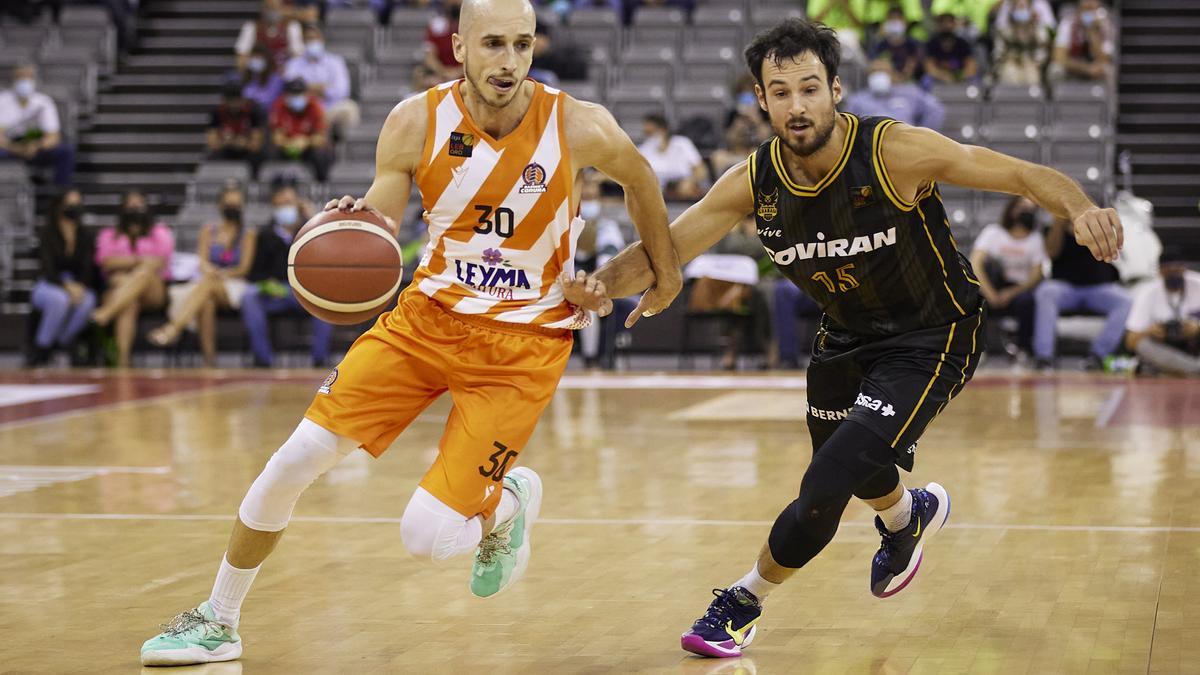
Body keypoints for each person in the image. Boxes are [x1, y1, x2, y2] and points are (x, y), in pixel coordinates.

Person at [139, 1, 681, 665]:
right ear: (458, 47)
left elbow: (641, 180)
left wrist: (665, 270)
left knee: (424, 537)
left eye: (520, 44)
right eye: (491, 44)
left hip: (521, 346)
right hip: (423, 322)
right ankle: (218, 618)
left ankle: (505, 503)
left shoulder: (577, 124)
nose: (507, 61)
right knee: (292, 461)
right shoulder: (414, 120)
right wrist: (356, 225)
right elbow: (383, 222)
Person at [581, 18, 1122, 658]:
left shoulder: (895, 151)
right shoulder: (754, 181)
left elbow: (1018, 174)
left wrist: (1082, 208)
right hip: (845, 338)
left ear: (836, 89)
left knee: (826, 480)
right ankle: (905, 516)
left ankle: (742, 601)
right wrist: (596, 285)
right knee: (857, 474)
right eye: (780, 92)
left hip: (934, 333)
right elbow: (663, 251)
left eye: (810, 88)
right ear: (760, 100)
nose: (797, 105)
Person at [148, 185, 257, 367]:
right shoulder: (208, 230)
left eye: (236, 204)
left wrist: (221, 273)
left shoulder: (248, 234)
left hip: (234, 285)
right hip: (209, 282)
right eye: (228, 203)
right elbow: (203, 261)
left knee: (207, 284)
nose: (232, 207)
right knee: (206, 302)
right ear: (220, 205)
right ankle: (209, 360)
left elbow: (244, 268)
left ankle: (173, 328)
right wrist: (210, 271)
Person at [239, 182, 332, 368]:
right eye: (280, 204)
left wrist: (314, 217)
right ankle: (263, 360)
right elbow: (254, 273)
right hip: (277, 292)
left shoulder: (310, 231)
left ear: (298, 204)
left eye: (289, 202)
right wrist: (267, 283)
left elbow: (328, 257)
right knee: (249, 297)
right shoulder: (264, 235)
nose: (285, 208)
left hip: (306, 293)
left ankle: (319, 359)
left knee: (326, 298)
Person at [1033, 215, 1131, 370]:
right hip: (1065, 287)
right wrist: (1058, 225)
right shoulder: (1053, 228)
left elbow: (1107, 250)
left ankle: (1099, 355)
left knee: (1124, 300)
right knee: (1045, 292)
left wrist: (1085, 228)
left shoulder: (1098, 225)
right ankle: (1044, 356)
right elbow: (1051, 252)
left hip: (1097, 288)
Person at [92, 191, 175, 368]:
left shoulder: (159, 232)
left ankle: (105, 313)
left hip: (154, 291)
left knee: (144, 273)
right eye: (131, 206)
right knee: (129, 304)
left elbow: (159, 261)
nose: (135, 210)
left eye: (139, 206)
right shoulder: (109, 234)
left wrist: (127, 268)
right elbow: (105, 261)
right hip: (120, 291)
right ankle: (123, 363)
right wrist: (139, 261)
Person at [28, 189, 97, 366]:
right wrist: (66, 286)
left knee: (88, 301)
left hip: (76, 284)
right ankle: (42, 348)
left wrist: (80, 286)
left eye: (77, 204)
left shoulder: (85, 235)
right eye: (70, 204)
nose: (74, 208)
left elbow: (88, 267)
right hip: (49, 284)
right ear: (60, 206)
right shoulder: (47, 233)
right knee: (59, 300)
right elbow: (47, 270)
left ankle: (62, 342)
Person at [969, 197, 1045, 356]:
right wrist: (991, 294)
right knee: (973, 299)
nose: (1026, 212)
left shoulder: (1035, 239)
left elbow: (1036, 275)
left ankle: (1023, 349)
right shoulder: (993, 232)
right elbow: (975, 263)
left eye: (1031, 209)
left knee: (1028, 301)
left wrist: (1010, 293)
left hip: (1018, 291)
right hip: (992, 286)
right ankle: (976, 349)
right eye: (1022, 207)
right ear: (1011, 209)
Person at [1125, 248, 1200, 376]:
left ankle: (1179, 369)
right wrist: (1149, 331)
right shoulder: (1147, 293)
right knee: (1142, 344)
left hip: (1194, 346)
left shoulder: (1198, 284)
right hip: (1166, 348)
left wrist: (1197, 328)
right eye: (1168, 271)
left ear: (1184, 268)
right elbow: (1130, 341)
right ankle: (1193, 369)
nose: (1174, 275)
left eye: (1177, 270)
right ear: (1160, 272)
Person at [0, 64, 76, 188]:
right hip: (9, 147)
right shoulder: (2, 101)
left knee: (66, 152)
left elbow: (53, 137)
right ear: (13, 79)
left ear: (34, 80)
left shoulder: (43, 102)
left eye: (28, 77)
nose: (24, 81)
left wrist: (35, 146)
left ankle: (60, 192)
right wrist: (14, 147)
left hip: (36, 146)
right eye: (20, 77)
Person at [283, 24, 360, 140]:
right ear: (303, 42)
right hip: (304, 111)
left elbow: (342, 91)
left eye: (315, 38)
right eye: (309, 39)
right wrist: (322, 87)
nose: (312, 42)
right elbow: (289, 87)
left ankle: (341, 148)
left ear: (321, 39)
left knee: (350, 108)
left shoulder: (335, 62)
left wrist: (308, 88)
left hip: (329, 111)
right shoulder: (294, 64)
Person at [843, 60, 945, 130]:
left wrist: (923, 134)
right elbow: (846, 125)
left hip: (906, 145)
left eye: (883, 71)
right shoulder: (858, 99)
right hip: (869, 148)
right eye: (874, 72)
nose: (879, 75)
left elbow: (936, 110)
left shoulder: (910, 93)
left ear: (892, 74)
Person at [269, 77, 332, 182]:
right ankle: (278, 184)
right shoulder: (279, 106)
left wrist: (305, 141)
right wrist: (288, 143)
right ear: (286, 95)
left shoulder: (315, 107)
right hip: (287, 146)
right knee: (271, 151)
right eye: (293, 94)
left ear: (306, 94)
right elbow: (276, 136)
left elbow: (321, 137)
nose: (296, 97)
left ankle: (321, 184)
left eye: (299, 94)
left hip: (307, 147)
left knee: (321, 154)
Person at [638, 113, 708, 201]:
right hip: (657, 192)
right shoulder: (644, 149)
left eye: (650, 133)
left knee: (690, 190)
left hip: (684, 188)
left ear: (662, 130)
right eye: (646, 133)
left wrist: (690, 181)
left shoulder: (682, 144)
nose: (649, 137)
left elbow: (701, 170)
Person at [208, 78, 266, 176]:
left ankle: (254, 184)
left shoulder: (253, 111)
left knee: (257, 157)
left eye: (237, 99)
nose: (234, 104)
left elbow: (256, 144)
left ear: (242, 99)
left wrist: (244, 143)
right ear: (225, 100)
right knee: (213, 156)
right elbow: (212, 143)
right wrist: (227, 142)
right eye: (231, 100)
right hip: (226, 149)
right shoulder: (217, 112)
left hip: (246, 151)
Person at [1049, 0, 1113, 83]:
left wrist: (1092, 31)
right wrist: (1086, 69)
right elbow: (1058, 57)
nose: (1089, 3)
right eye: (1085, 2)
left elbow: (1104, 60)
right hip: (1074, 66)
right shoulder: (1068, 23)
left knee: (1108, 70)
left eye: (1093, 2)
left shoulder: (1105, 26)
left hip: (1096, 68)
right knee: (1055, 68)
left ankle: (1108, 96)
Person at [992, 0, 1052, 87]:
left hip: (1032, 64)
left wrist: (1033, 61)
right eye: (1018, 7)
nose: (1021, 10)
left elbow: (1042, 55)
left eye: (1024, 7)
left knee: (1032, 75)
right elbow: (998, 54)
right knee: (1009, 72)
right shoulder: (1005, 32)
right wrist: (1008, 58)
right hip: (1011, 63)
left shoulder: (1039, 32)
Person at [235, 0, 302, 71]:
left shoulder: (291, 27)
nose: (272, 11)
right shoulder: (251, 27)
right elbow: (241, 57)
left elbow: (297, 55)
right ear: (263, 9)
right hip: (259, 73)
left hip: (284, 73)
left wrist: (288, 70)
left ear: (282, 8)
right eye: (269, 7)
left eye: (275, 7)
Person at [868, 6, 922, 82]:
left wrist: (890, 71)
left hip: (908, 84)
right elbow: (872, 66)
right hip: (885, 84)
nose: (894, 22)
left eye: (897, 18)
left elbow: (910, 70)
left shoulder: (913, 45)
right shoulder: (879, 45)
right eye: (891, 19)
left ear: (905, 22)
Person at [923, 13, 979, 84]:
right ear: (939, 25)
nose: (946, 26)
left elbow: (971, 65)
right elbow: (929, 66)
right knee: (926, 79)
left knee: (975, 80)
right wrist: (943, 75)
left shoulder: (962, 43)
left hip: (960, 76)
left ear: (954, 25)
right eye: (943, 22)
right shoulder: (932, 43)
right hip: (939, 76)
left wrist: (958, 76)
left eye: (949, 22)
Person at [424, 0, 463, 81]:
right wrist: (443, 72)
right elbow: (429, 56)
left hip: (466, 75)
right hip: (442, 76)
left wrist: (458, 72)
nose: (454, 3)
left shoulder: (471, 26)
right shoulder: (436, 25)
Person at [241, 45, 285, 112]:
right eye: (253, 58)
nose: (256, 61)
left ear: (266, 60)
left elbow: (271, 100)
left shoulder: (276, 80)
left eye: (259, 58)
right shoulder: (246, 78)